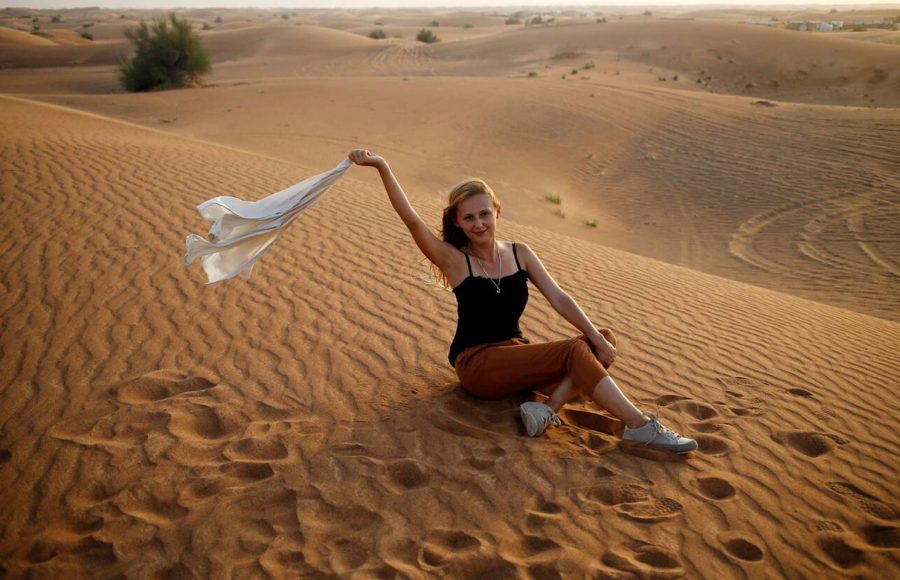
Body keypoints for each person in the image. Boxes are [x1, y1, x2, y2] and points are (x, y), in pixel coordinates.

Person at [348, 149, 697, 454]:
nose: (478, 223)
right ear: (457, 221)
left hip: (516, 356)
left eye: (484, 214)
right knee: (574, 351)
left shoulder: (520, 253)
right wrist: (382, 166)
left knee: (602, 338)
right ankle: (639, 426)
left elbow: (559, 297)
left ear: (497, 212)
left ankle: (547, 410)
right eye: (469, 217)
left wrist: (597, 337)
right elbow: (410, 219)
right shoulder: (454, 260)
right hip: (478, 364)